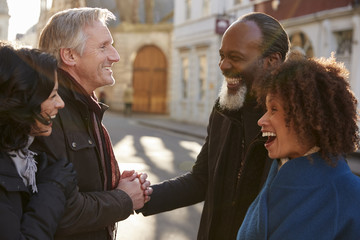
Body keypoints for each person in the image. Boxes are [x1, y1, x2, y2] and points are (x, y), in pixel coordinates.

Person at [137, 12, 290, 239]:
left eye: (235, 57)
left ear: (272, 62)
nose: (223, 65)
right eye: (222, 56)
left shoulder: (297, 123)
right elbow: (201, 180)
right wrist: (142, 196)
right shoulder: (224, 111)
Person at [30, 7, 152, 240]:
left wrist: (113, 184)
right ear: (70, 56)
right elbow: (59, 213)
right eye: (103, 46)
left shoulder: (85, 106)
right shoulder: (50, 113)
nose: (115, 56)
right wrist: (124, 199)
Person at [237, 53, 360, 239]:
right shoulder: (276, 171)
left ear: (308, 118)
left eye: (274, 109)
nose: (261, 120)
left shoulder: (350, 196)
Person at [0, 42, 77, 239]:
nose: (61, 103)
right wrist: (53, 187)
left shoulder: (24, 156)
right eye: (52, 95)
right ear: (23, 101)